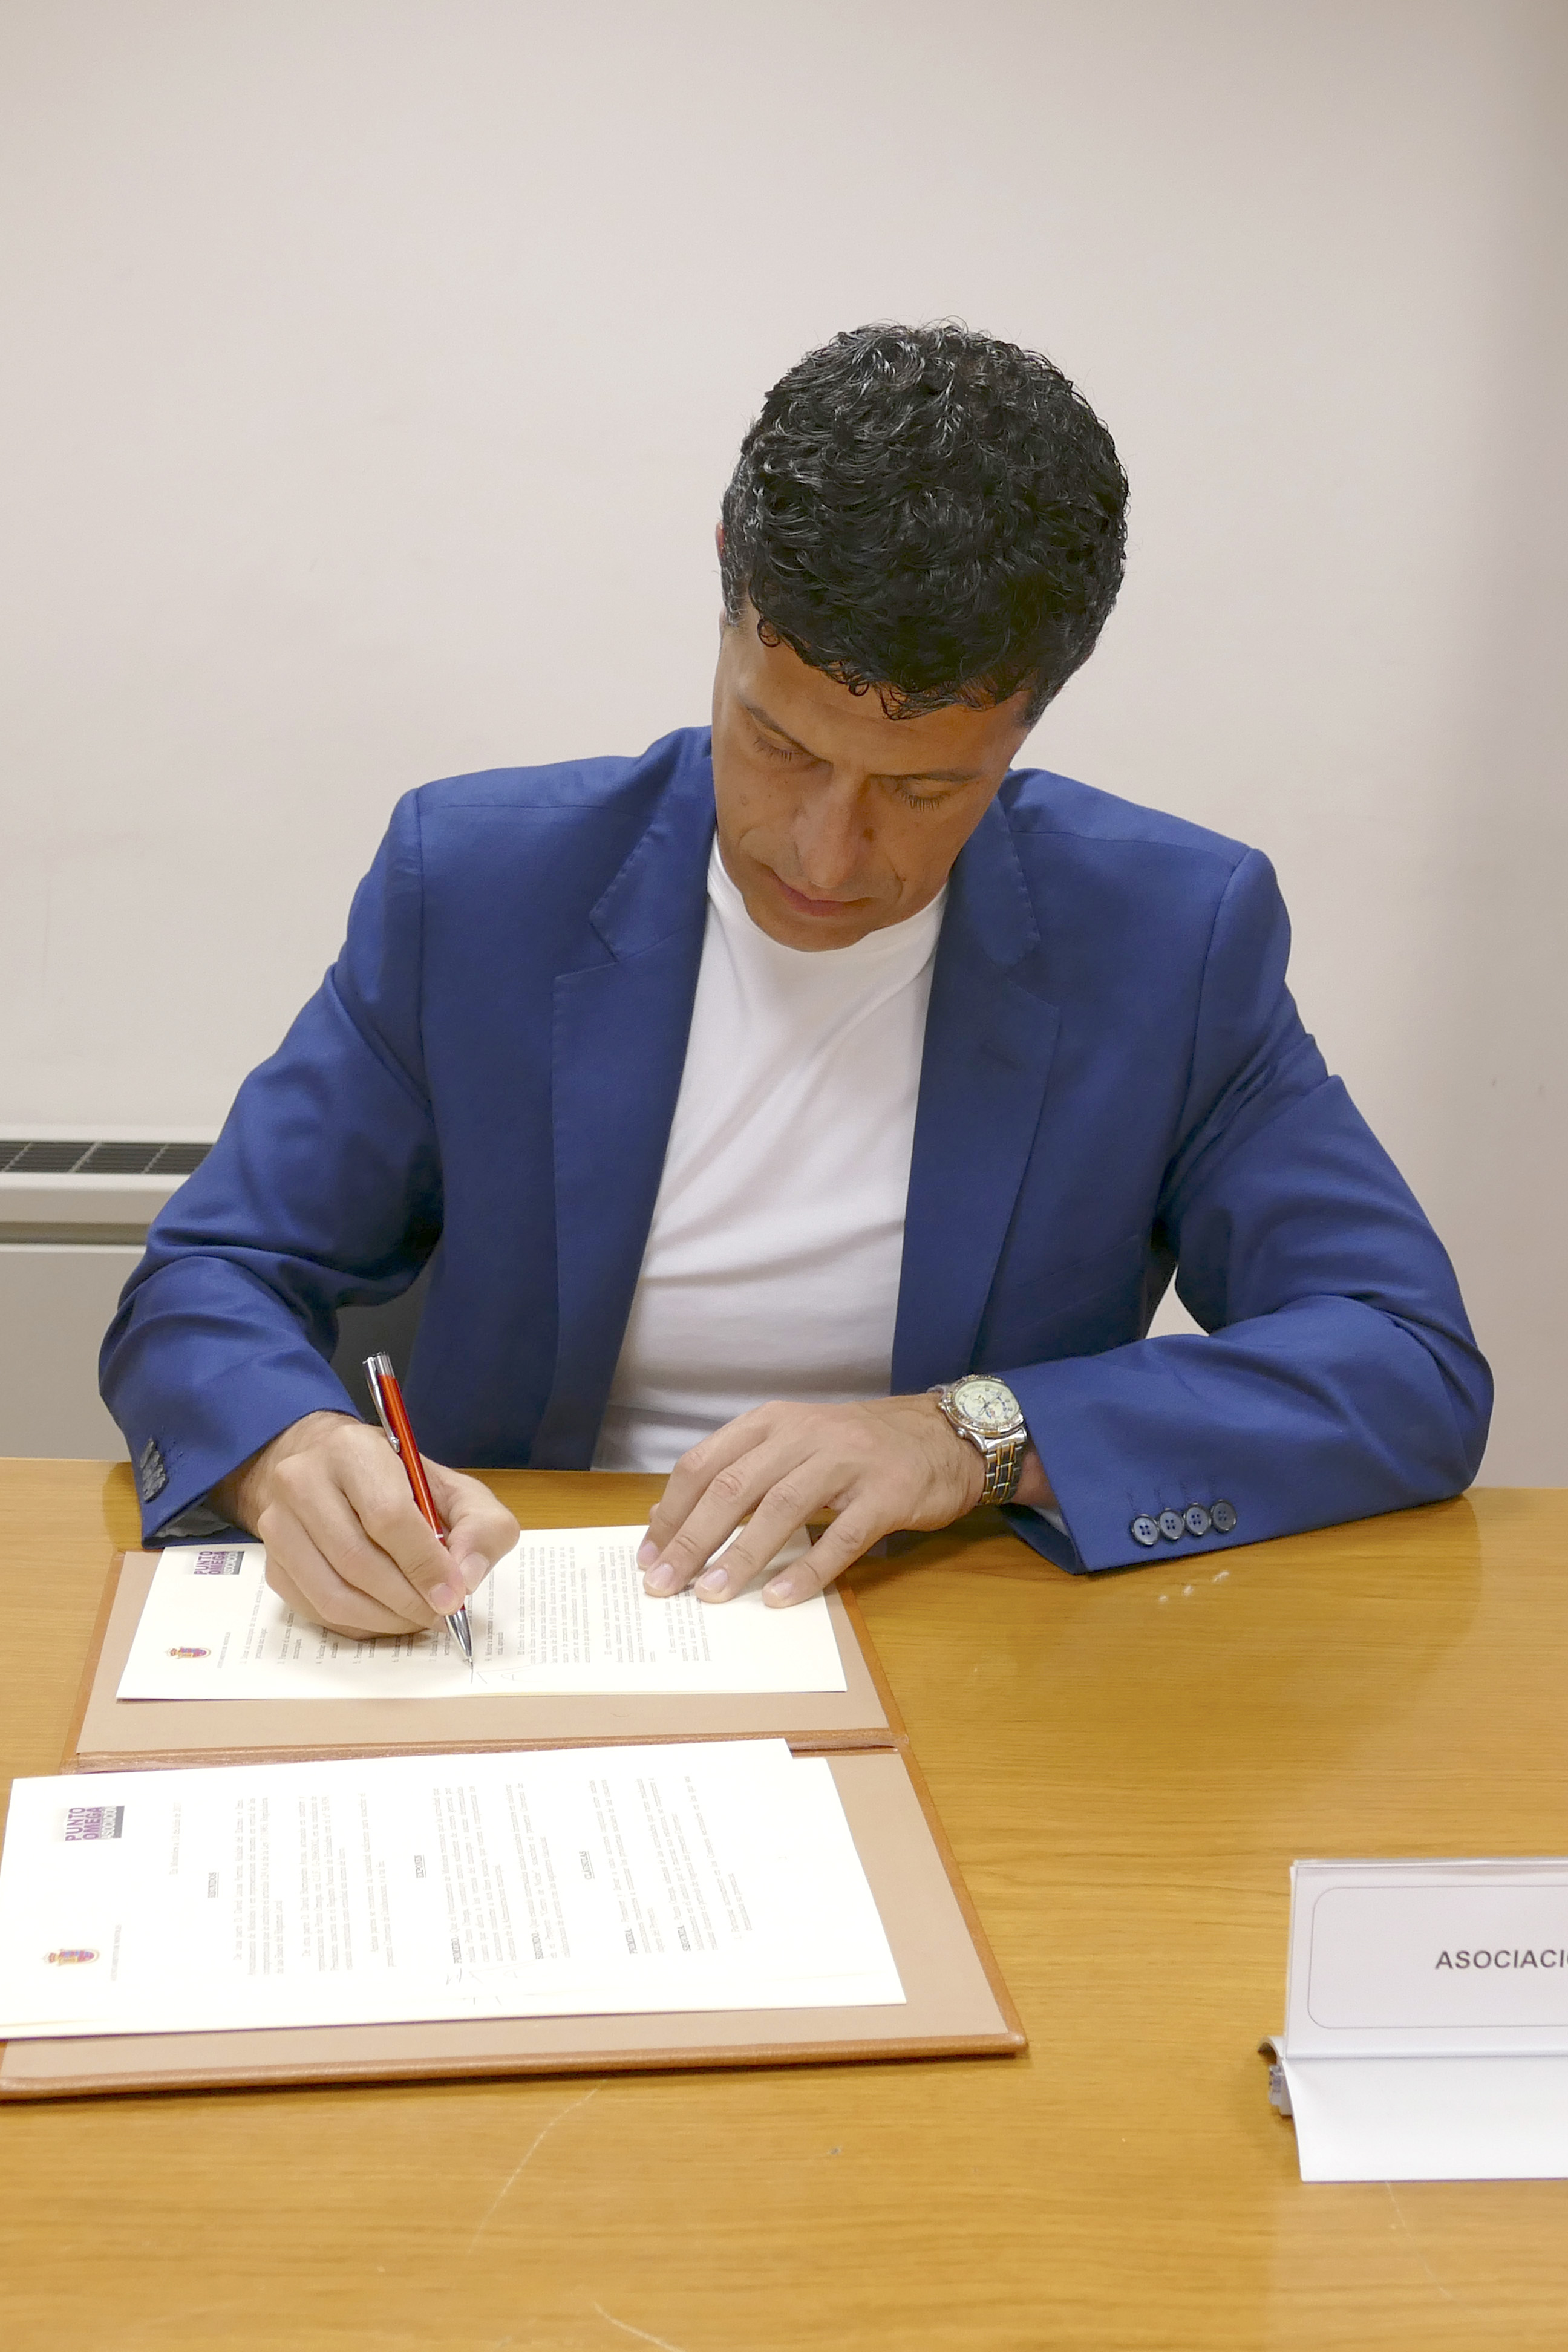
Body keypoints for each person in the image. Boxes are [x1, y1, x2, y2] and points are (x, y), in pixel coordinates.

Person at [100, 323, 1491, 1639]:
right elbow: (213, 1274)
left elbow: (1404, 1359)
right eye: (779, 747)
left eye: (925, 789)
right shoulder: (477, 889)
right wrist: (290, 1453)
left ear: (1034, 717)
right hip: (521, 1613)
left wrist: (971, 1435)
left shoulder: (1166, 940)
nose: (825, 853)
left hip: (946, 1636)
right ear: (727, 593)